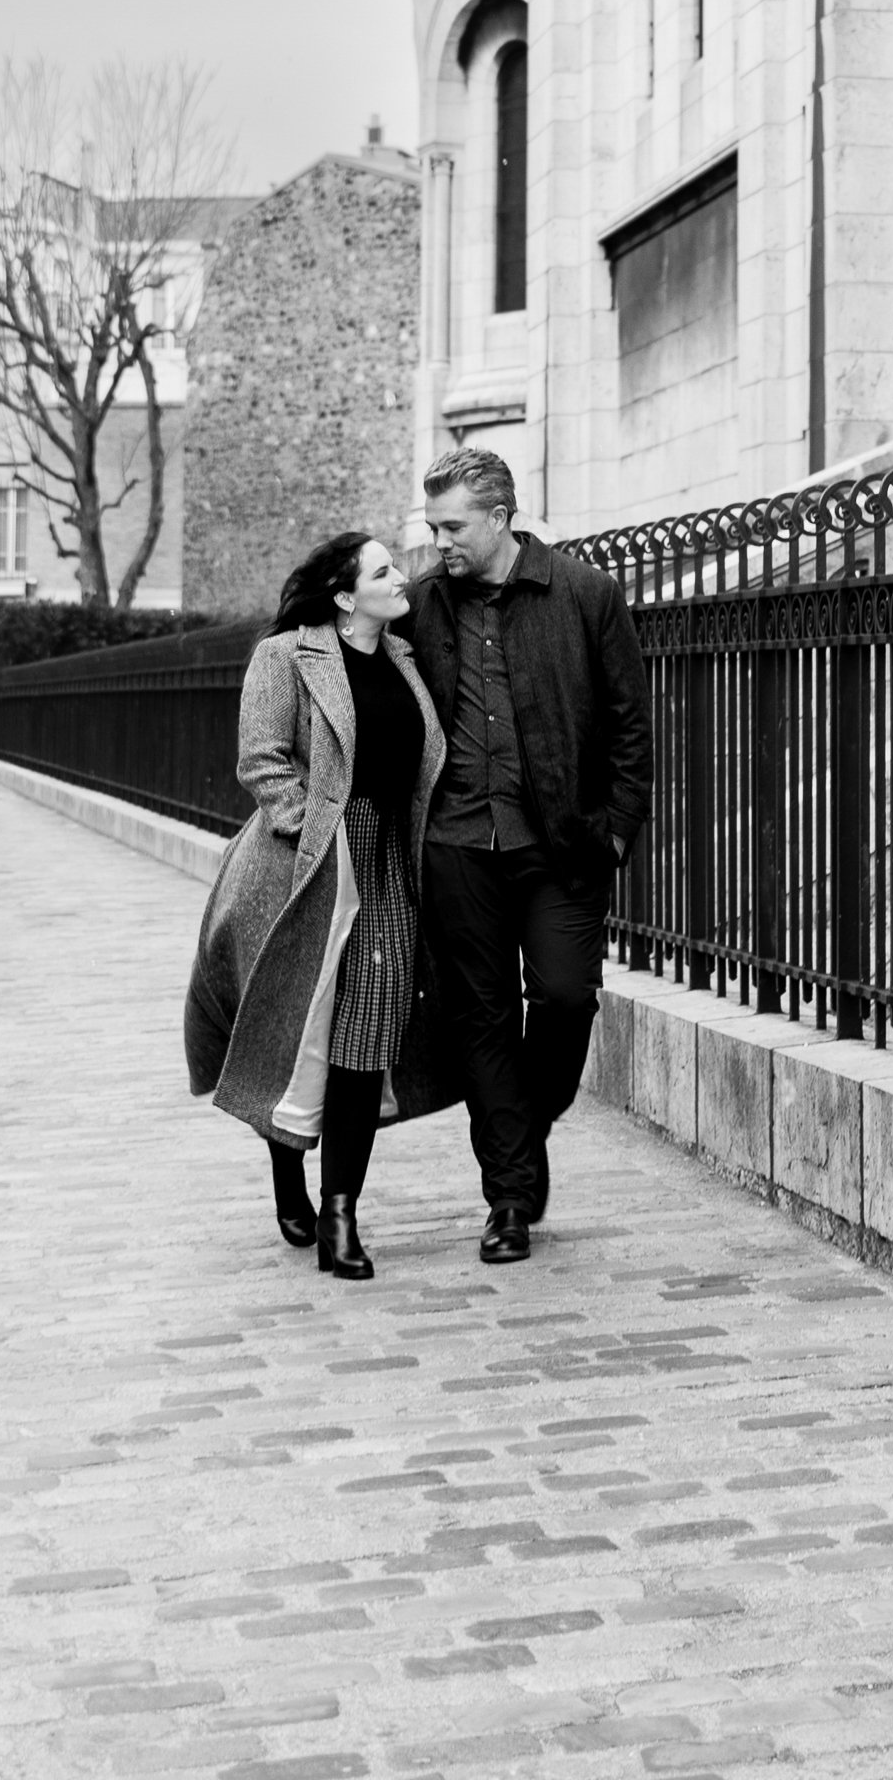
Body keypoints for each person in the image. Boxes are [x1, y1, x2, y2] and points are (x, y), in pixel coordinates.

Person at [182, 530, 456, 1281]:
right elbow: (261, 757)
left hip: (388, 863)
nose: (401, 576)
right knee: (295, 1027)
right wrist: (314, 824)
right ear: (344, 596)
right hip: (304, 865)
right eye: (383, 570)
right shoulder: (286, 656)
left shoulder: (403, 659)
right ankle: (286, 1171)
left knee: (365, 1035)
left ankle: (342, 1215)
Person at [407, 445, 652, 1265]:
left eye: (452, 525)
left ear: (501, 517)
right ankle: (508, 1198)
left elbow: (628, 723)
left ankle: (527, 1122)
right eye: (431, 525)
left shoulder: (586, 594)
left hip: (562, 844)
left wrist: (615, 829)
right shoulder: (422, 605)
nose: (439, 540)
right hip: (455, 845)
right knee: (479, 1016)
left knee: (563, 997)